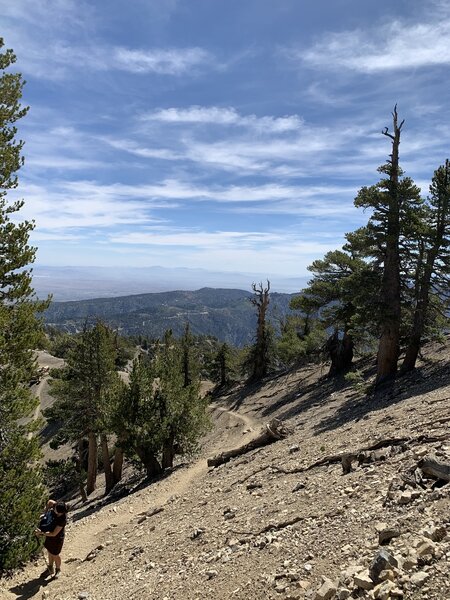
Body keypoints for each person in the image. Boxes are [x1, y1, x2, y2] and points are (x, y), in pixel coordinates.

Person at [35, 499, 68, 579]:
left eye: (55, 510)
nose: (53, 510)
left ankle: (58, 569)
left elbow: (54, 534)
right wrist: (45, 513)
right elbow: (50, 502)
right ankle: (50, 568)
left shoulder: (62, 520)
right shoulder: (57, 505)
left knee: (55, 554)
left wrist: (41, 533)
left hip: (57, 538)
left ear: (60, 512)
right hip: (49, 535)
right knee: (50, 552)